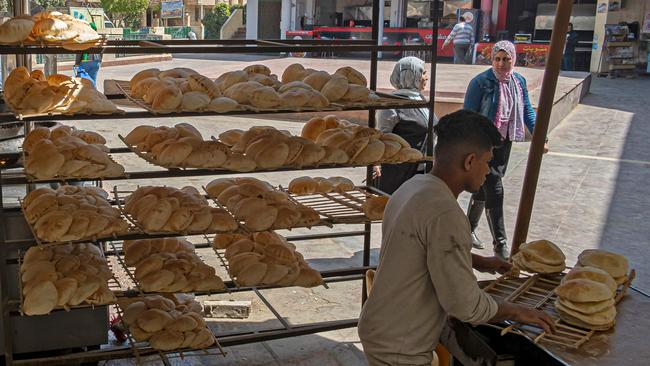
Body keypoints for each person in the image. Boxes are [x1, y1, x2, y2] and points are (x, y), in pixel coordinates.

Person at [358, 110, 554, 366]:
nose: (489, 171)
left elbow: (416, 246)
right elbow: (466, 306)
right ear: (470, 161)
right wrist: (517, 311)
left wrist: (475, 261)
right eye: (488, 161)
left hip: (381, 325)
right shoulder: (446, 213)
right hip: (400, 346)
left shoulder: (413, 187)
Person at [463, 40, 547, 258]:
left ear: (513, 59)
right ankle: (500, 244)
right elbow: (468, 116)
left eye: (506, 59)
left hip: (504, 141)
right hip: (482, 143)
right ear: (492, 60)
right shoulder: (480, 82)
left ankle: (467, 229)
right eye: (497, 59)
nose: (501, 63)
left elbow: (527, 111)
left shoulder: (518, 82)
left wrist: (540, 137)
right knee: (495, 187)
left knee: (484, 187)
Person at [374, 56, 437, 194]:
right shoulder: (393, 104)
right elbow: (382, 137)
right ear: (410, 74)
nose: (426, 77)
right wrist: (376, 163)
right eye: (423, 72)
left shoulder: (420, 100)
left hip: (422, 171)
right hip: (398, 175)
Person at [74, 22, 102, 87]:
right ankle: (94, 95)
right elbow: (101, 51)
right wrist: (100, 60)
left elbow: (80, 51)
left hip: (85, 60)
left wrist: (77, 63)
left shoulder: (84, 37)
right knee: (93, 81)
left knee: (83, 82)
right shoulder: (98, 38)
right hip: (96, 61)